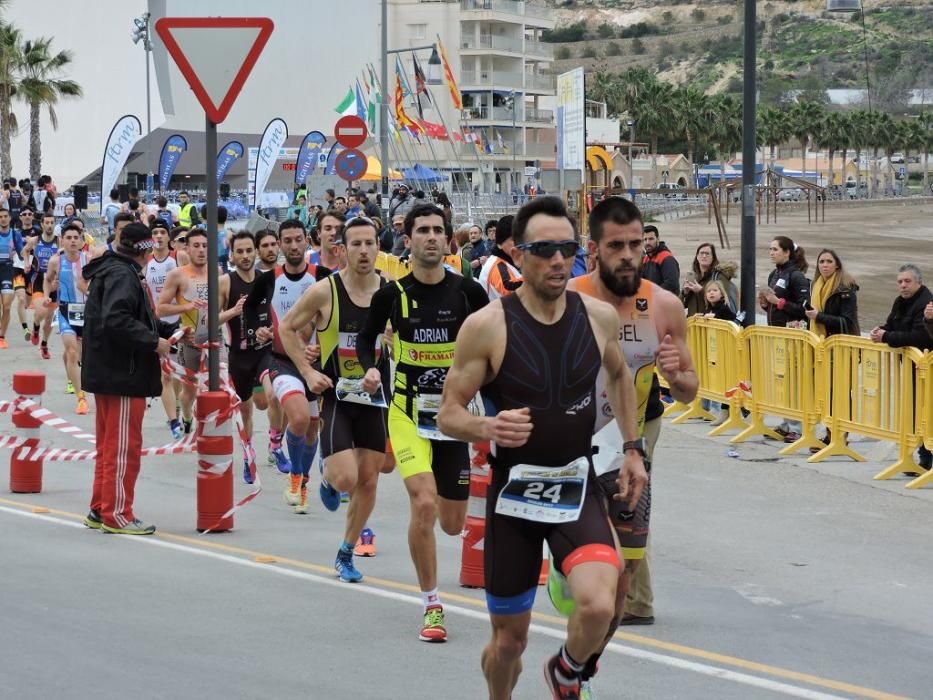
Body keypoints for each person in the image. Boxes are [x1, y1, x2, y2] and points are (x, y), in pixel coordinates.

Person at [436, 196, 649, 700]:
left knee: (602, 605)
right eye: (544, 249)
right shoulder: (487, 326)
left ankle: (567, 673)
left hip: (575, 484)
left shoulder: (597, 318)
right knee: (509, 642)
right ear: (518, 254)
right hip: (513, 498)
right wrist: (487, 429)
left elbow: (620, 376)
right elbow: (448, 413)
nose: (558, 260)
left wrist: (634, 448)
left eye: (567, 249)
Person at [561, 196, 697, 694]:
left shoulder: (664, 306)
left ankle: (581, 666)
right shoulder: (568, 297)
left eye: (635, 244)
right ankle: (572, 653)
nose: (627, 254)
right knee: (595, 578)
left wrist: (674, 374)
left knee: (621, 591)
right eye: (615, 245)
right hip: (567, 451)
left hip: (628, 450)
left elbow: (689, 388)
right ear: (593, 248)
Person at [356, 202, 488, 642]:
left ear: (448, 239)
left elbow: (494, 348)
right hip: (407, 413)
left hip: (453, 418)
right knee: (424, 503)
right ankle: (432, 603)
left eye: (438, 230)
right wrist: (371, 368)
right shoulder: (390, 295)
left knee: (452, 522)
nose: (431, 236)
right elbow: (365, 339)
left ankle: (433, 559)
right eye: (422, 230)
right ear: (407, 239)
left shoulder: (469, 293)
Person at [281, 217, 388, 582]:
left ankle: (346, 552)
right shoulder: (325, 291)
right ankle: (327, 478)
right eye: (355, 244)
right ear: (342, 249)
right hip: (337, 395)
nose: (363, 251)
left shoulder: (391, 292)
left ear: (378, 247)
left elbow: (402, 343)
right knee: (346, 478)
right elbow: (287, 327)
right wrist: (307, 372)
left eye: (369, 243)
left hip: (374, 399)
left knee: (370, 480)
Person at [81, 222, 180, 535]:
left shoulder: (112, 269)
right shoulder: (124, 275)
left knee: (109, 447)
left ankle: (100, 508)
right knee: (124, 448)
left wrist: (167, 333)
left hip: (109, 372)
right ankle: (118, 514)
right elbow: (118, 319)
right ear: (145, 250)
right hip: (123, 374)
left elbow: (136, 317)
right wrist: (154, 343)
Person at [248, 219, 331, 513]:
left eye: (299, 240)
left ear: (307, 242)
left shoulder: (322, 277)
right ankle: (295, 474)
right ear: (280, 245)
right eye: (288, 240)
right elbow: (249, 309)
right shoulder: (269, 279)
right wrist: (258, 330)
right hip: (281, 362)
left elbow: (335, 315)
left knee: (311, 429)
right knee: (296, 418)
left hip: (316, 364)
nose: (293, 246)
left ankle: (302, 481)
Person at [219, 231, 271, 484]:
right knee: (247, 409)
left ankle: (275, 441)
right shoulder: (225, 282)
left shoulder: (267, 279)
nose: (245, 256)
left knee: (272, 395)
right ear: (232, 255)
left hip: (264, 350)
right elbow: (208, 321)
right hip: (239, 355)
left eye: (249, 250)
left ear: (256, 252)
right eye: (239, 251)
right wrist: (233, 311)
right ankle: (248, 456)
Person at [869, 264, 933, 472]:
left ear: (918, 283)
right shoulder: (900, 301)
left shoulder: (926, 303)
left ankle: (927, 457)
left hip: (926, 366)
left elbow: (920, 337)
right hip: (912, 368)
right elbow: (893, 324)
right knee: (917, 412)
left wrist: (887, 337)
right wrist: (881, 330)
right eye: (900, 282)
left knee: (927, 412)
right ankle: (923, 457)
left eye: (907, 281)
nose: (903, 286)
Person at [157, 228, 212, 432]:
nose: (201, 250)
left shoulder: (218, 273)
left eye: (205, 246)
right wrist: (186, 307)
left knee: (218, 385)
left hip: (215, 338)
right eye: (196, 246)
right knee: (189, 393)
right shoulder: (177, 275)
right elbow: (160, 309)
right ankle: (187, 415)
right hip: (190, 341)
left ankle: (210, 427)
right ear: (187, 249)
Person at [758, 236, 811, 442]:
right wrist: (765, 304)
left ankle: (797, 427)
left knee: (795, 382)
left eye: (775, 249)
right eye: (769, 249)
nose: (771, 253)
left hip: (794, 335)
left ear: (787, 252)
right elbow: (776, 303)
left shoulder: (796, 276)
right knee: (783, 381)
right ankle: (787, 422)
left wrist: (777, 302)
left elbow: (803, 308)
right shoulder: (775, 273)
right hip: (778, 334)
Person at [44, 224, 90, 414]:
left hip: (87, 311)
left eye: (75, 237)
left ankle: (78, 379)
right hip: (65, 310)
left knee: (83, 354)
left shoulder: (90, 259)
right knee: (72, 351)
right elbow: (47, 280)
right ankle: (81, 398)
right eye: (68, 237)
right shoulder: (56, 261)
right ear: (62, 240)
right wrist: (48, 294)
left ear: (81, 241)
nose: (72, 241)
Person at [144, 218, 182, 439]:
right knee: (165, 375)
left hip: (179, 322)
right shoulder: (146, 261)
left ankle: (178, 405)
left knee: (178, 375)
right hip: (156, 323)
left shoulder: (178, 258)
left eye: (162, 232)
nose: (158, 236)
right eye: (155, 233)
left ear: (169, 237)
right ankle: (173, 420)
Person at [22, 212, 58, 357]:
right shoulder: (35, 241)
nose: (49, 225)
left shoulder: (59, 241)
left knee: (49, 318)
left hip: (53, 282)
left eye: (52, 223)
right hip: (38, 279)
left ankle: (44, 344)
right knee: (41, 311)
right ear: (42, 224)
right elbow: (24, 251)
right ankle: (36, 327)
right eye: (47, 223)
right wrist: (26, 263)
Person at [680, 242, 737, 317]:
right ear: (697, 257)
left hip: (711, 323)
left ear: (713, 257)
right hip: (695, 323)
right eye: (701, 253)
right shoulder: (694, 278)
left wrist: (701, 290)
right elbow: (680, 305)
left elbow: (725, 299)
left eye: (707, 254)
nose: (704, 256)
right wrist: (685, 293)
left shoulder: (719, 276)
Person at [477, 215, 522, 301]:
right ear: (499, 244)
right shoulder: (497, 265)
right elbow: (512, 289)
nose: (519, 243)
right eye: (513, 239)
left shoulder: (503, 261)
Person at [0, 207, 26, 348]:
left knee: (7, 307)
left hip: (8, 270)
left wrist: (27, 253)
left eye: (5, 216)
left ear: (10, 218)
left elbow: (21, 252)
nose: (3, 219)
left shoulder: (15, 234)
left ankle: (2, 337)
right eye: (1, 217)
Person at [641, 224, 680, 295]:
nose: (647, 242)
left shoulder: (666, 258)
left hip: (666, 302)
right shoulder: (646, 259)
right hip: (652, 302)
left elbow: (671, 284)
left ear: (658, 239)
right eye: (645, 239)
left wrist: (651, 293)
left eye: (651, 239)